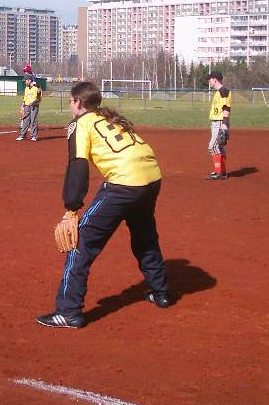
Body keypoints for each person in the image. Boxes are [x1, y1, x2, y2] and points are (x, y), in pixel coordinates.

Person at [36, 81, 169, 329]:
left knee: (80, 243)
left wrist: (71, 208)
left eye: (71, 101)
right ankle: (160, 292)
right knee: (145, 236)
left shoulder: (80, 123)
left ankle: (69, 311)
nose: (70, 105)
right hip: (151, 178)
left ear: (78, 103)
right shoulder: (110, 117)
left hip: (124, 183)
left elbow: (77, 166)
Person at [206, 70, 231, 180]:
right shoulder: (217, 92)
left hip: (220, 122)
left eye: (210, 79)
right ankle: (222, 172)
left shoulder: (223, 91)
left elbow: (226, 108)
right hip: (215, 122)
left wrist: (224, 125)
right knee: (219, 146)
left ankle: (219, 172)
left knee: (213, 146)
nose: (209, 81)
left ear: (215, 79)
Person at [16, 74, 42, 141]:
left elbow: (39, 98)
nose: (25, 82)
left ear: (29, 80)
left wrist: (34, 102)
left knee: (33, 120)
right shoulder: (26, 88)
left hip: (34, 106)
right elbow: (25, 97)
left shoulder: (37, 87)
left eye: (26, 81)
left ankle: (34, 136)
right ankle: (22, 135)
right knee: (25, 120)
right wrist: (23, 105)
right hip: (27, 106)